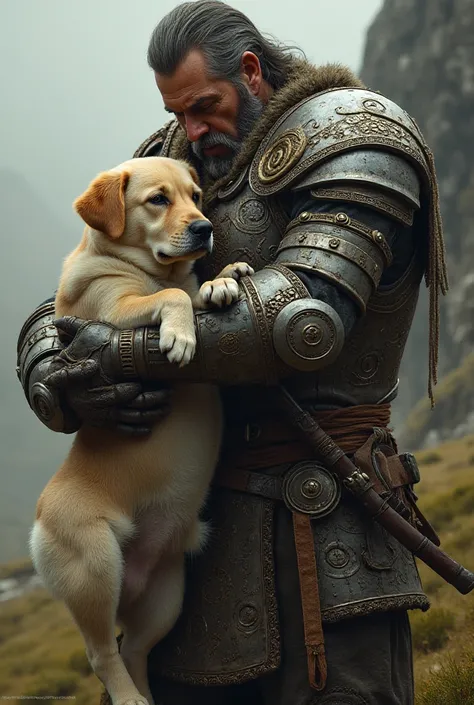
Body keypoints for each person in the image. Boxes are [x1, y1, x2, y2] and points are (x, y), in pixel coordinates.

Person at [17, 2, 449, 703]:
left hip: (321, 524)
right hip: (189, 534)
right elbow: (85, 280)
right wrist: (49, 366)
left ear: (250, 72)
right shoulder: (171, 159)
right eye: (178, 112)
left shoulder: (355, 136)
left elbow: (301, 318)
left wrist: (120, 352)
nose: (192, 129)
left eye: (205, 107)